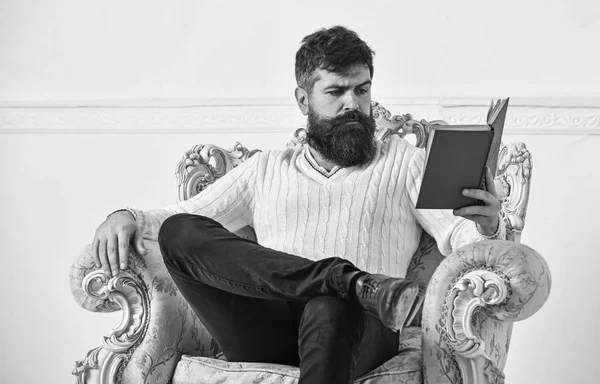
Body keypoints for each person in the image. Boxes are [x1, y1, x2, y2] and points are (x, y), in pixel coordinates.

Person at [91, 26, 504, 384]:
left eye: (362, 90)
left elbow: (459, 232)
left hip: (358, 326)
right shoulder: (265, 170)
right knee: (179, 231)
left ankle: (347, 289)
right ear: (304, 100)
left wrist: (486, 226)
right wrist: (124, 216)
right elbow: (183, 222)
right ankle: (347, 279)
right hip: (268, 328)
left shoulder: (403, 161)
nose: (353, 104)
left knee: (330, 305)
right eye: (336, 91)